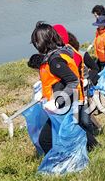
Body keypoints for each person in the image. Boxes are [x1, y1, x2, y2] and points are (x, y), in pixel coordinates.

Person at [28, 22, 98, 153]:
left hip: (65, 105)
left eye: (35, 42)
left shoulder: (55, 61)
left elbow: (73, 81)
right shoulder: (55, 56)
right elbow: (56, 82)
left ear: (41, 42)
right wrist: (43, 94)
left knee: (46, 140)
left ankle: (61, 162)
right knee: (77, 128)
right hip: (67, 104)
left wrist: (56, 101)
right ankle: (93, 150)